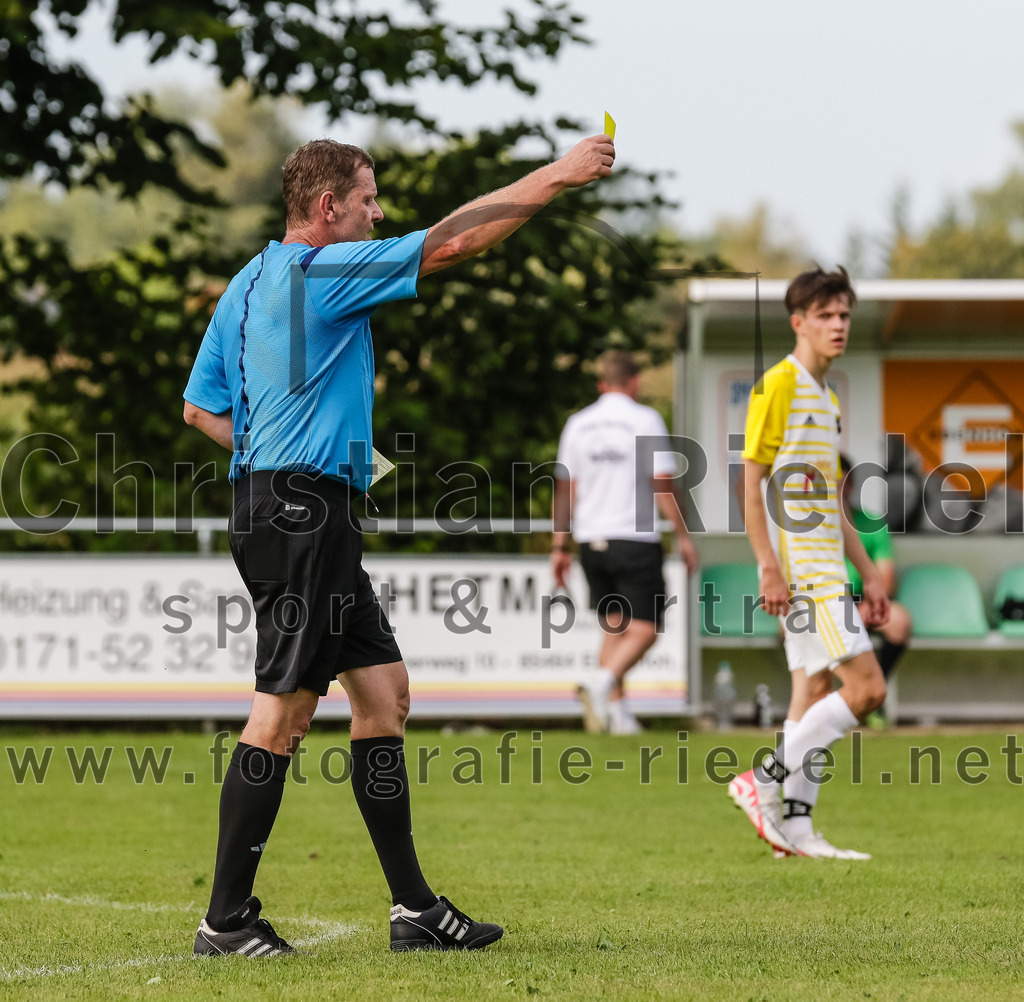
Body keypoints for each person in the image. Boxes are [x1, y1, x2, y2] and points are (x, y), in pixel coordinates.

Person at [183, 132, 616, 955]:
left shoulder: (245, 285)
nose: (379, 213)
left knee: (384, 698)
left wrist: (301, 453)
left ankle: (413, 910)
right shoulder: (324, 270)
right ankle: (225, 920)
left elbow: (201, 412)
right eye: (368, 199)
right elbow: (452, 241)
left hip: (290, 503)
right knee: (281, 716)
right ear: (326, 208)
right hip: (301, 516)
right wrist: (558, 175)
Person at [727, 266, 889, 860]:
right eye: (825, 315)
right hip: (807, 575)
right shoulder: (779, 385)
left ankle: (792, 830)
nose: (838, 325)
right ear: (798, 323)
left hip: (830, 571)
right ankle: (761, 779)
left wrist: (869, 572)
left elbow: (830, 503)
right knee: (867, 690)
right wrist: (767, 566)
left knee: (811, 691)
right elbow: (750, 487)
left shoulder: (827, 395)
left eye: (844, 314)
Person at [551, 351, 698, 735]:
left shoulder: (578, 424)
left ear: (601, 384)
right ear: (634, 383)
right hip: (634, 537)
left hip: (589, 539)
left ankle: (618, 718)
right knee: (646, 628)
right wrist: (683, 535)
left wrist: (558, 546)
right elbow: (662, 482)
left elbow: (566, 488)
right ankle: (601, 683)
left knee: (614, 628)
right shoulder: (644, 419)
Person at [839, 453, 913, 727]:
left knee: (898, 620)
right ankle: (841, 699)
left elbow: (885, 579)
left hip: (863, 601)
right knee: (794, 627)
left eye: (842, 482)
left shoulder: (871, 523)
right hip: (820, 603)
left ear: (851, 485)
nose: (838, 490)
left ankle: (869, 699)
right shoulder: (806, 526)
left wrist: (866, 605)